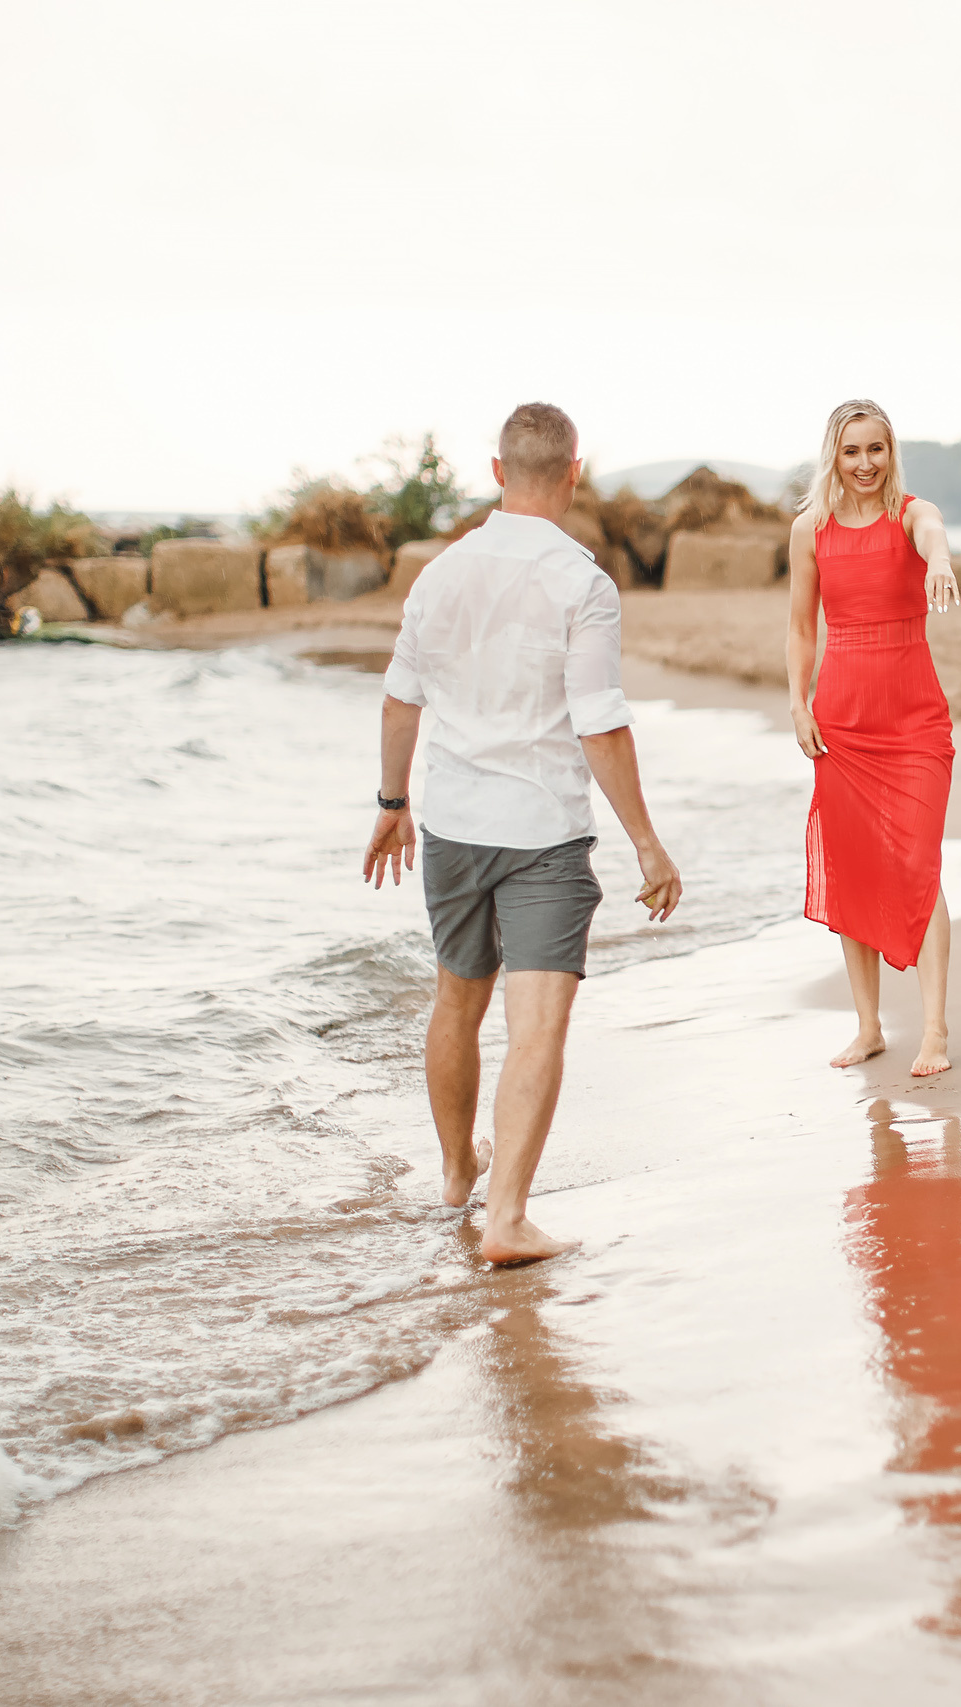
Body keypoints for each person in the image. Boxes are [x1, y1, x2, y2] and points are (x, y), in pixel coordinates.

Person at [362, 402, 682, 1265]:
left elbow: (399, 700)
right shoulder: (584, 583)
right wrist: (647, 841)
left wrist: (392, 802)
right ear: (574, 472)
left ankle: (456, 1174)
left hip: (454, 824)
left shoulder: (438, 575)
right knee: (534, 1026)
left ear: (498, 472)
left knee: (456, 1000)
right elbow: (599, 721)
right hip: (542, 830)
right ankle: (505, 1217)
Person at [785, 399, 961, 1076]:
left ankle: (935, 1031)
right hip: (843, 723)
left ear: (891, 452)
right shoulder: (810, 529)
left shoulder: (911, 514)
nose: (865, 463)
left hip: (915, 721)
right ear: (833, 455)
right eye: (852, 450)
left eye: (876, 449)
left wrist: (939, 562)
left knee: (919, 863)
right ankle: (868, 1027)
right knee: (853, 870)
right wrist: (798, 702)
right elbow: (801, 627)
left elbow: (932, 531)